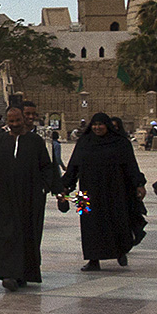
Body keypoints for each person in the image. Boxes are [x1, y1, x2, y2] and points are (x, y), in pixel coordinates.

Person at [0, 105, 60, 291]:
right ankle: (8, 273)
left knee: (26, 235)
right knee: (5, 236)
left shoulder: (35, 141)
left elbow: (46, 167)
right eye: (11, 122)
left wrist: (43, 187)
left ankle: (23, 273)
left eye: (18, 120)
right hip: (4, 199)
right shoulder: (0, 141)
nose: (15, 124)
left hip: (29, 199)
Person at [62, 113, 147, 270]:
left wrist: (139, 184)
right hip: (85, 192)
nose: (97, 127)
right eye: (94, 124)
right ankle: (93, 259)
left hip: (114, 190)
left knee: (116, 221)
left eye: (101, 124)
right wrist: (65, 186)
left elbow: (131, 165)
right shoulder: (84, 142)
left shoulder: (120, 143)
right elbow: (73, 165)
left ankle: (120, 252)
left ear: (107, 125)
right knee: (88, 225)